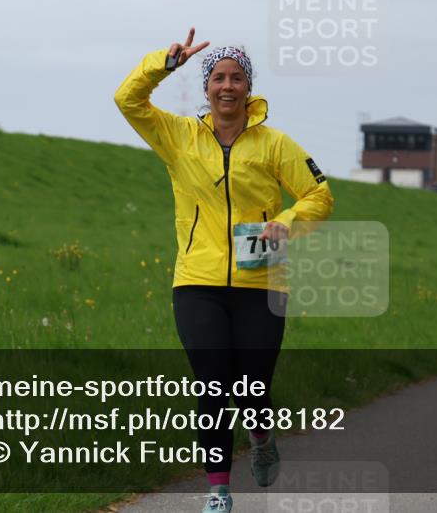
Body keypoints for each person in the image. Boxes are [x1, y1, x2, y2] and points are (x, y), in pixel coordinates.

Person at [114, 28, 334, 512]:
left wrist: (286, 221)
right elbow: (127, 100)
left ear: (248, 88)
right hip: (197, 282)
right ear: (207, 87)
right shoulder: (179, 138)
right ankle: (218, 492)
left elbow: (320, 195)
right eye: (218, 78)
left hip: (262, 283)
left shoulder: (275, 144)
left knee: (251, 387)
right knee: (212, 384)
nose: (227, 86)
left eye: (237, 78)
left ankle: (261, 434)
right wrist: (163, 63)